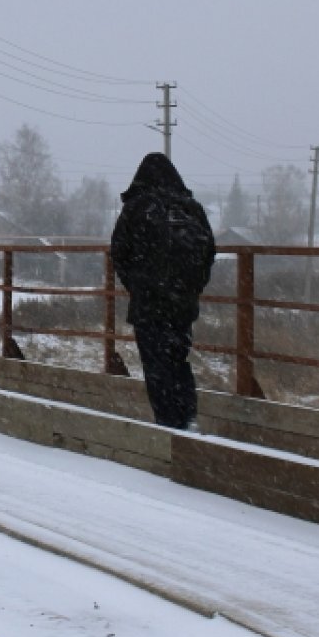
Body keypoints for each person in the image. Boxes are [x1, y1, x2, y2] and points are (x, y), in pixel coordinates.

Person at [110, 152, 216, 430]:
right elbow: (208, 254)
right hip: (183, 305)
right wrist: (190, 290)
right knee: (178, 361)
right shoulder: (191, 208)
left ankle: (167, 427)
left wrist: (138, 287)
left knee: (156, 368)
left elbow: (119, 253)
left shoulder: (137, 207)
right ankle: (188, 418)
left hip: (149, 305)